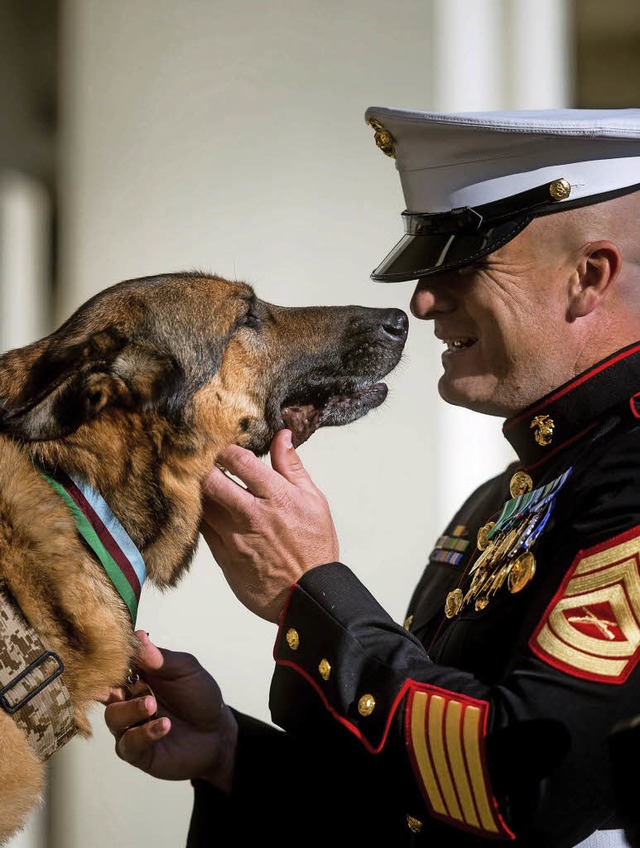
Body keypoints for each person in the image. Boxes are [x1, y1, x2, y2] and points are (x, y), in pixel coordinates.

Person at [104, 107, 640, 847]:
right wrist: (233, 755)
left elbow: (528, 787)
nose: (423, 301)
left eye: (464, 265)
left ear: (589, 277)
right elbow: (430, 816)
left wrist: (312, 589)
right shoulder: (511, 494)